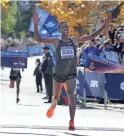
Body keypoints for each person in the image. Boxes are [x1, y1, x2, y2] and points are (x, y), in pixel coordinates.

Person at [32, 12, 111, 130]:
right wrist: (35, 25)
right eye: (62, 27)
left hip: (70, 73)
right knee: (56, 96)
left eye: (66, 27)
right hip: (58, 73)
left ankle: (71, 121)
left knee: (71, 97)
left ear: (69, 30)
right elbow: (38, 38)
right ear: (59, 30)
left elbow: (91, 37)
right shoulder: (56, 41)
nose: (65, 28)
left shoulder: (74, 40)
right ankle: (53, 105)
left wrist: (103, 27)